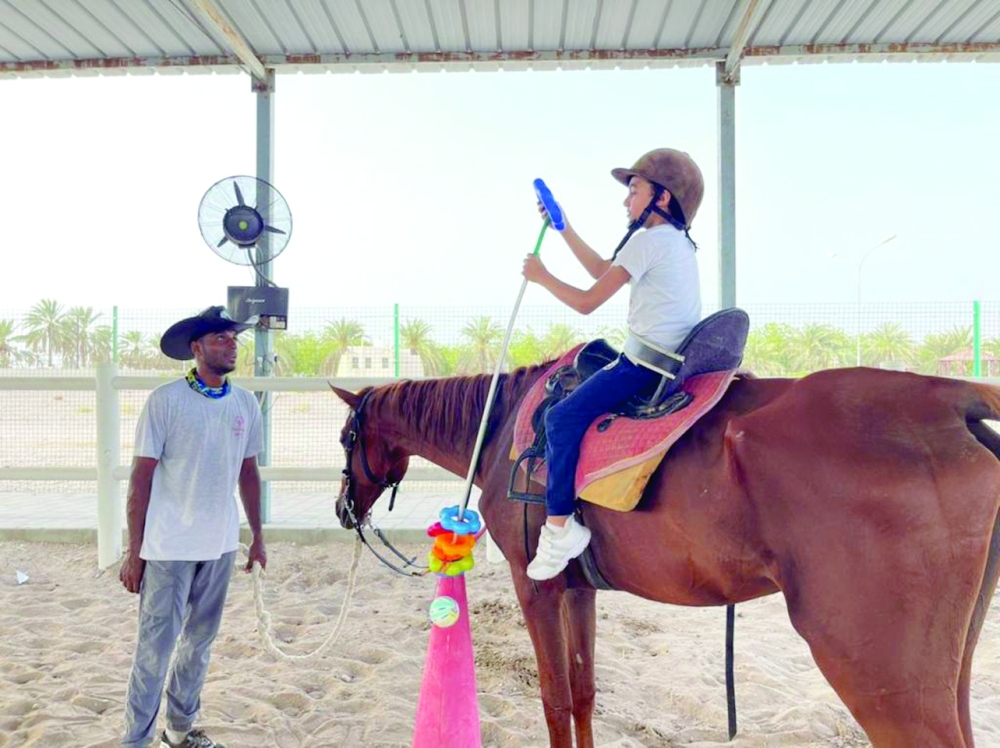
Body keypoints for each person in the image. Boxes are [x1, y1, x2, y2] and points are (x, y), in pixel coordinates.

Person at [521, 148, 704, 581]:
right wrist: (563, 227)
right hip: (672, 361)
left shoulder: (648, 240)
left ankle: (560, 528)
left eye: (634, 190)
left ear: (662, 198)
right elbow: (604, 269)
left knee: (563, 418)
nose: (626, 200)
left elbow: (587, 302)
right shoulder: (672, 243)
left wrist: (541, 276)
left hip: (644, 365)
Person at [119, 306, 267, 748]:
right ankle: (135, 740)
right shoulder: (166, 401)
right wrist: (134, 550)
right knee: (155, 649)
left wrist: (257, 537)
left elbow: (248, 473)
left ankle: (179, 732)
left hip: (220, 545)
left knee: (199, 644)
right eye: (220, 339)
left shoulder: (244, 403)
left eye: (233, 338)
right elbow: (140, 477)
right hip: (167, 547)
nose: (231, 345)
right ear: (197, 348)